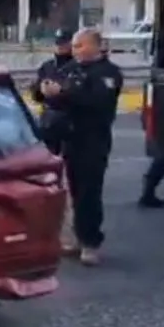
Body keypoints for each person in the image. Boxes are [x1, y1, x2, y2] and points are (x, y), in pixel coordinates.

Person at [39, 28, 122, 265]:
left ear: (95, 46)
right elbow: (52, 94)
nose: (75, 51)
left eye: (80, 46)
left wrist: (64, 92)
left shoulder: (108, 73)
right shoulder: (71, 68)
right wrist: (47, 91)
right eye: (74, 46)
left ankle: (91, 242)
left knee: (89, 192)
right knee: (73, 190)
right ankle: (77, 235)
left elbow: (97, 101)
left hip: (93, 139)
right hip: (70, 137)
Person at [29, 29, 75, 155]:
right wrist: (40, 90)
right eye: (58, 43)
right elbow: (35, 93)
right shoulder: (47, 66)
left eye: (64, 43)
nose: (60, 47)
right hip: (49, 119)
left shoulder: (77, 66)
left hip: (70, 119)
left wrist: (61, 91)